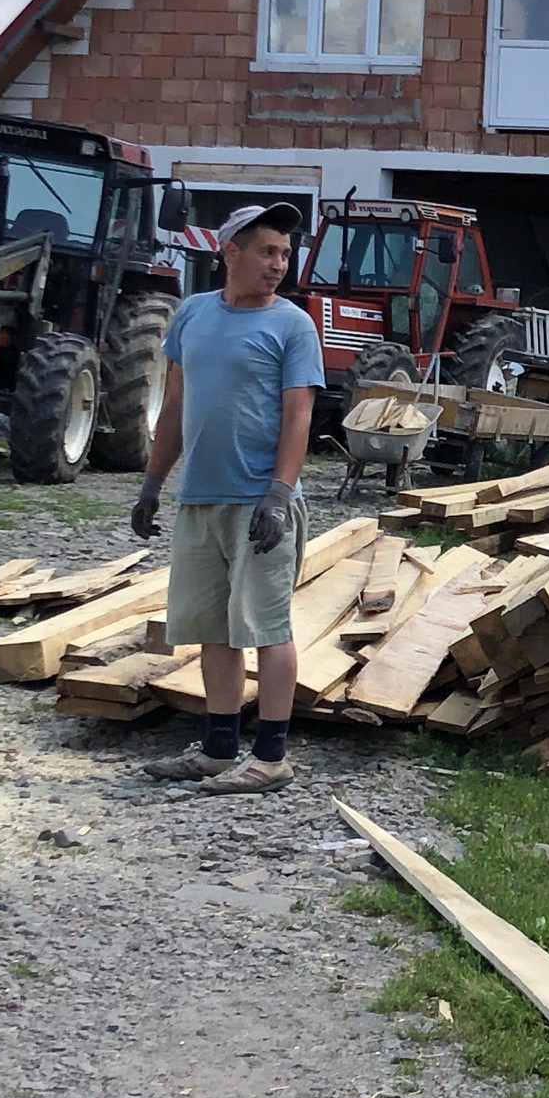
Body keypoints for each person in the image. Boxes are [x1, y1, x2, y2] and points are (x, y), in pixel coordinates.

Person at [132, 203, 324, 794]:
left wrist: (279, 493)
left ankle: (271, 756)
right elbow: (174, 408)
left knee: (266, 627)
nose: (278, 265)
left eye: (285, 255)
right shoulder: (191, 316)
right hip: (201, 497)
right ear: (231, 252)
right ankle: (219, 748)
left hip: (258, 501)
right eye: (268, 252)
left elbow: (300, 414)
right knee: (213, 628)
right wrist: (152, 483)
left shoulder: (292, 325)